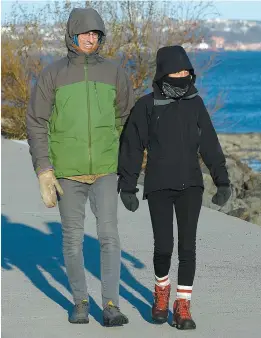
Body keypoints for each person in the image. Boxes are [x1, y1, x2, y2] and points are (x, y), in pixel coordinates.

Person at [26, 7, 134, 326]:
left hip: (106, 167)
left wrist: (129, 162)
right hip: (67, 171)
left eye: (96, 34)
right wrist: (44, 168)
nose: (90, 38)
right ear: (72, 35)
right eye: (85, 33)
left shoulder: (115, 73)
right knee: (73, 238)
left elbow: (127, 119)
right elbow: (36, 122)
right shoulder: (53, 74)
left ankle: (111, 304)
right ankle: (80, 301)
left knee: (109, 235)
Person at [117, 45, 231, 330]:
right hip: (158, 185)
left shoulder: (196, 104)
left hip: (191, 185)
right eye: (175, 71)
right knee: (164, 247)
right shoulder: (147, 105)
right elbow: (131, 147)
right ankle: (161, 294)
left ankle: (182, 305)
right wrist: (127, 186)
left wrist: (222, 180)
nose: (181, 75)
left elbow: (210, 144)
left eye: (185, 71)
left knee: (187, 247)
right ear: (163, 73)